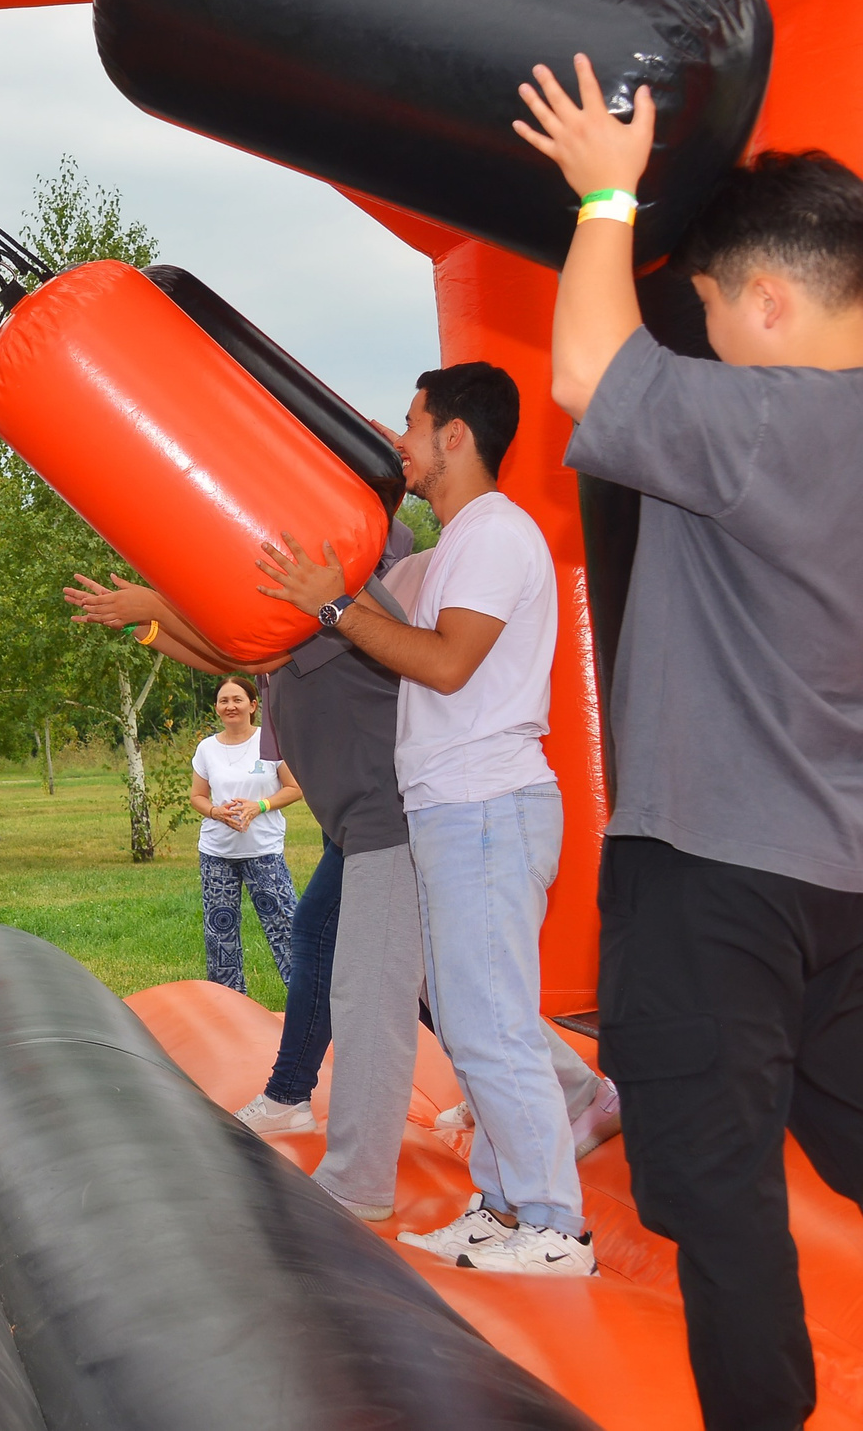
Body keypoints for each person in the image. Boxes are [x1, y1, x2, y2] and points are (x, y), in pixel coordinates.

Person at [523, 59, 863, 1426]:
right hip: (840, 884)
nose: (707, 338)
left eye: (712, 309)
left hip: (715, 877)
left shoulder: (778, 424)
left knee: (724, 1217)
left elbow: (588, 370)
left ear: (771, 298)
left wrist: (608, 188)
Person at [261, 362, 591, 1276]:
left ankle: (555, 1223)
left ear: (455, 434)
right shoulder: (449, 549)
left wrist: (336, 602)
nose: (400, 438)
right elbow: (370, 619)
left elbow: (445, 664)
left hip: (488, 803)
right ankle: (502, 1200)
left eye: (412, 422)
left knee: (491, 1021)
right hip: (453, 807)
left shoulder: (494, 532)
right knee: (466, 1009)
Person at [188, 675, 303, 995]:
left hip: (263, 851)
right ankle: (228, 1005)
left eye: (237, 699)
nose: (230, 706)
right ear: (216, 708)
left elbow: (295, 789)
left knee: (285, 927)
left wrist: (259, 806)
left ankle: (307, 1001)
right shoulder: (206, 749)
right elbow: (197, 796)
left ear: (253, 705)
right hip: (217, 853)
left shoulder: (271, 741)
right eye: (224, 701)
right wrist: (216, 812)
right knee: (220, 931)